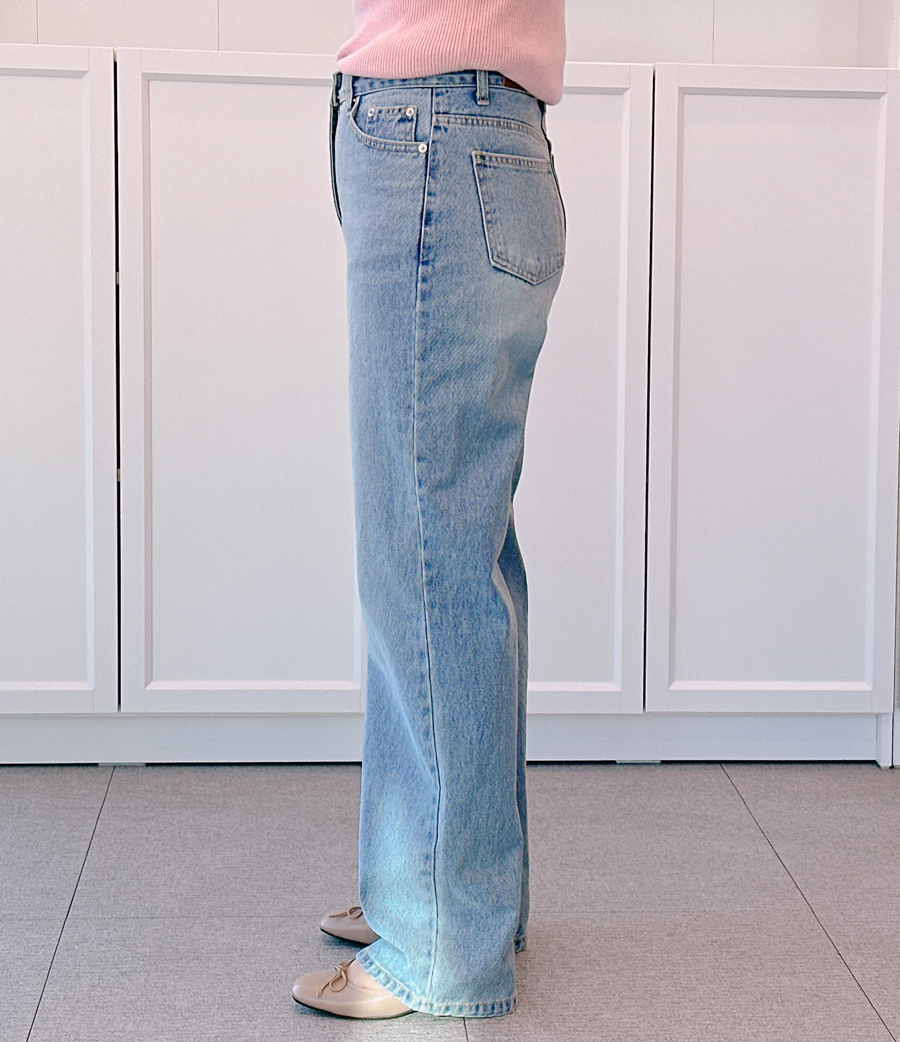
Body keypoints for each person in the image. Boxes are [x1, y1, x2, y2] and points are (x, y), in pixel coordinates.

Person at [292, 0, 567, 1020]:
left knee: (425, 556)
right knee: (453, 551)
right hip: (476, 131)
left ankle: (441, 941)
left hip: (434, 131)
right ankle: (447, 894)